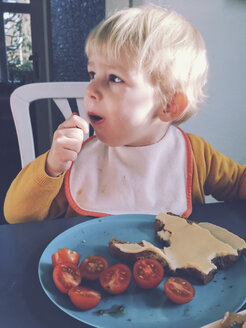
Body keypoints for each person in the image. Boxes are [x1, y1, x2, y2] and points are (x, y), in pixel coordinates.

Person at [4, 6, 246, 224]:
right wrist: (51, 167)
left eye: (114, 78)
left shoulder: (197, 154)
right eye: (92, 74)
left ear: (169, 105)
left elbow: (238, 184)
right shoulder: (75, 159)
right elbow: (17, 216)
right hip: (90, 270)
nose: (91, 90)